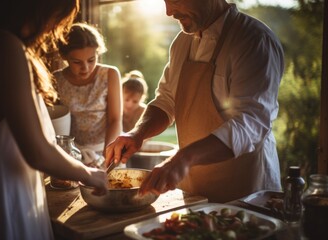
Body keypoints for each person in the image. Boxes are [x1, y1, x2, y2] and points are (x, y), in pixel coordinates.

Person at [106, 0, 284, 203]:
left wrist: (184, 158)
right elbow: (166, 100)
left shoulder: (253, 40)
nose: (168, 11)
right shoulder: (182, 42)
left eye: (174, 1)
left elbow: (250, 123)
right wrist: (137, 134)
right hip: (194, 192)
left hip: (246, 193)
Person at [0, 0, 108, 239]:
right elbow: (38, 152)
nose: (54, 29)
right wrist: (89, 174)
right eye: (57, 17)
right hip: (5, 202)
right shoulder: (5, 47)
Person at [54, 22, 122, 168]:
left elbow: (115, 120)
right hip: (71, 154)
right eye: (77, 62)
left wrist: (106, 158)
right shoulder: (56, 79)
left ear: (98, 52)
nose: (85, 68)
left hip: (107, 149)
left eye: (91, 60)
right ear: (64, 57)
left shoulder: (109, 74)